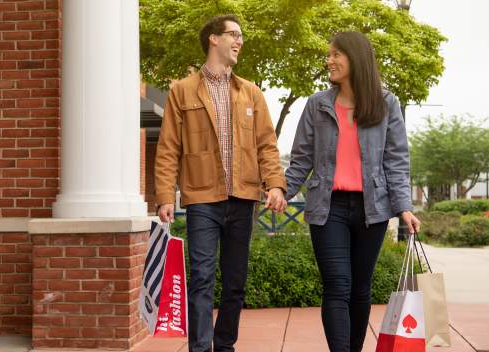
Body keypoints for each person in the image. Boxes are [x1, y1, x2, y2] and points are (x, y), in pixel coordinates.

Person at [155, 15, 287, 352]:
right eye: (234, 35)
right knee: (201, 278)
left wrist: (275, 185)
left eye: (241, 36)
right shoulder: (181, 91)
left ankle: (224, 345)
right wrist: (165, 195)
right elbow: (170, 146)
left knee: (235, 283)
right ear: (214, 39)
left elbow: (266, 145)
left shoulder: (251, 94)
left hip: (243, 198)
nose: (239, 41)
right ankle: (200, 348)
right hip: (202, 198)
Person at [284, 31, 420, 352]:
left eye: (335, 55)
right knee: (337, 287)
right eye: (329, 55)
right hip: (327, 207)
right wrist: (282, 192)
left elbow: (396, 160)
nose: (329, 60)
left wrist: (405, 207)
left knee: (360, 290)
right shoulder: (317, 105)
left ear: (355, 58)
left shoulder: (387, 104)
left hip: (372, 209)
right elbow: (301, 158)